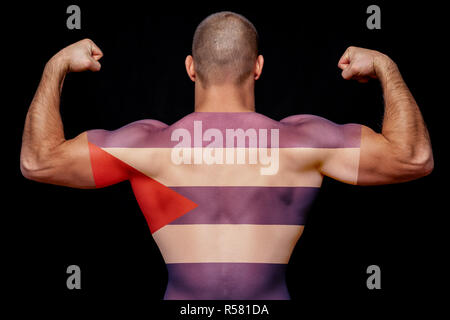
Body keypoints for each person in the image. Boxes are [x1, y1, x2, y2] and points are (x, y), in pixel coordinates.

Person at [20, 11, 433, 300]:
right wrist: (384, 66)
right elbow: (414, 159)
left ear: (190, 68)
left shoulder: (146, 145)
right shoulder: (304, 140)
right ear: (257, 67)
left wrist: (55, 65)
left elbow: (38, 162)